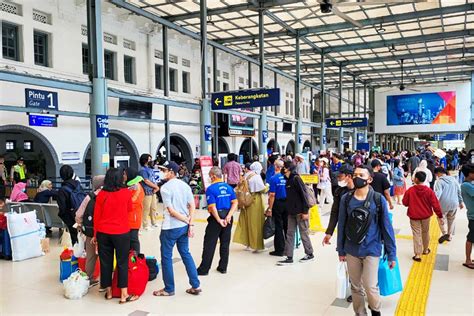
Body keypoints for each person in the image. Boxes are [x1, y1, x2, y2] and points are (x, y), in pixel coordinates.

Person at [337, 165, 397, 316]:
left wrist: (391, 254)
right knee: (356, 286)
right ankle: (360, 313)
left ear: (369, 179)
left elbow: (387, 228)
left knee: (370, 286)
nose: (357, 178)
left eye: (361, 175)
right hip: (351, 249)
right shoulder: (346, 199)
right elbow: (342, 224)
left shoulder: (378, 199)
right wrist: (341, 249)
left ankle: (375, 310)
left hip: (372, 248)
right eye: (355, 174)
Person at [152, 161, 201, 296]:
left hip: (170, 227)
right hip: (183, 227)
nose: (162, 172)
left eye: (164, 170)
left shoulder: (165, 188)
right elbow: (192, 205)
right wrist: (189, 223)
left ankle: (169, 289)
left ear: (171, 172)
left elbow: (171, 211)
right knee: (185, 253)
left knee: (166, 257)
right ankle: (195, 285)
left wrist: (186, 220)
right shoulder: (185, 185)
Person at [92, 168, 138, 304]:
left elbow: (96, 217)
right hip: (121, 233)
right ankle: (124, 294)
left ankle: (109, 292)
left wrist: (95, 235)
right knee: (122, 262)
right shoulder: (126, 193)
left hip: (103, 233)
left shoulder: (101, 194)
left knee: (106, 263)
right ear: (119, 179)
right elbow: (129, 209)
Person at [197, 166, 238, 275]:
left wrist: (219, 220)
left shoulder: (211, 189)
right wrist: (229, 216)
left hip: (216, 218)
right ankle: (223, 267)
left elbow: (212, 207)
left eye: (210, 176)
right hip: (228, 217)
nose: (209, 178)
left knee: (210, 243)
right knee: (225, 243)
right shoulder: (229, 187)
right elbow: (235, 202)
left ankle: (204, 269)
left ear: (213, 176)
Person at [277, 161, 314, 265]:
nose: (282, 169)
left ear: (288, 168)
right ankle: (289, 256)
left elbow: (304, 195)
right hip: (291, 212)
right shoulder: (287, 180)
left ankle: (310, 253)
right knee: (290, 233)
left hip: (300, 212)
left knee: (304, 233)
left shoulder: (296, 179)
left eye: (283, 167)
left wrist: (305, 211)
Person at [403, 171, 443, 262]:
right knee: (425, 232)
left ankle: (417, 254)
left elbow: (405, 203)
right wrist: (440, 216)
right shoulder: (429, 191)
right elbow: (435, 205)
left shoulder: (410, 190)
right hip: (426, 216)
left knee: (416, 234)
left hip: (414, 216)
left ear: (416, 179)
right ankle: (425, 250)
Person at [75, 175, 105, 287]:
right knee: (106, 256)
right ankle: (106, 283)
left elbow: (78, 215)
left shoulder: (89, 197)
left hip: (90, 231)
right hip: (105, 231)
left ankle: (89, 278)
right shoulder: (108, 195)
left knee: (91, 256)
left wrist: (80, 224)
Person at [233, 163, 266, 252]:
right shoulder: (256, 177)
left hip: (245, 202)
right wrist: (267, 187)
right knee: (255, 224)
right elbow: (262, 189)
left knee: (246, 223)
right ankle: (256, 246)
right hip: (254, 202)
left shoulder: (246, 176)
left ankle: (247, 244)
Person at [323, 164, 354, 246]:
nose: (338, 179)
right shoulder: (339, 191)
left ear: (349, 176)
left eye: (340, 177)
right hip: (344, 228)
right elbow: (334, 212)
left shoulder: (360, 190)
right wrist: (329, 232)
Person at [434, 167, 464, 244]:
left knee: (440, 218)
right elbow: (459, 191)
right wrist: (461, 202)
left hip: (443, 204)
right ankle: (449, 235)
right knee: (451, 219)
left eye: (436, 174)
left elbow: (438, 194)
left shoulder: (439, 182)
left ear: (439, 173)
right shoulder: (454, 179)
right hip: (454, 203)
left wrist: (433, 203)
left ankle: (444, 233)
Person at [265, 159, 288, 256]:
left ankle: (279, 249)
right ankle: (289, 247)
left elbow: (272, 195)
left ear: (276, 167)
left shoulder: (274, 178)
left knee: (278, 226)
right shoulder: (287, 177)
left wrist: (270, 208)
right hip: (287, 203)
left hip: (278, 204)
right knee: (287, 226)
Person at [57, 165, 83, 245]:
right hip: (82, 215)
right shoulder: (78, 185)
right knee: (82, 238)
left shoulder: (62, 190)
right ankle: (84, 255)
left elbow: (62, 208)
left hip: (71, 218)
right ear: (72, 174)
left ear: (61, 176)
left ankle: (77, 255)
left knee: (75, 239)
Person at [125, 168, 145, 253]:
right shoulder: (129, 185)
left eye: (125, 174)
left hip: (134, 218)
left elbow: (134, 202)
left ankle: (136, 260)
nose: (124, 176)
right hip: (127, 218)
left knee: (133, 240)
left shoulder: (137, 187)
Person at [139, 154, 160, 231]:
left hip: (153, 191)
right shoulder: (142, 170)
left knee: (153, 207)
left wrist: (156, 187)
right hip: (147, 191)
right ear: (145, 160)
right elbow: (146, 181)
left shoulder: (150, 169)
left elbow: (153, 179)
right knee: (146, 208)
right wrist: (155, 187)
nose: (151, 161)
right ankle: (145, 225)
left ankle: (154, 222)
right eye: (149, 159)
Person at [460, 163, 474, 269]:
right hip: (473, 216)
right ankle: (468, 260)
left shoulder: (470, 184)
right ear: (469, 174)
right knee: (471, 238)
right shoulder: (466, 185)